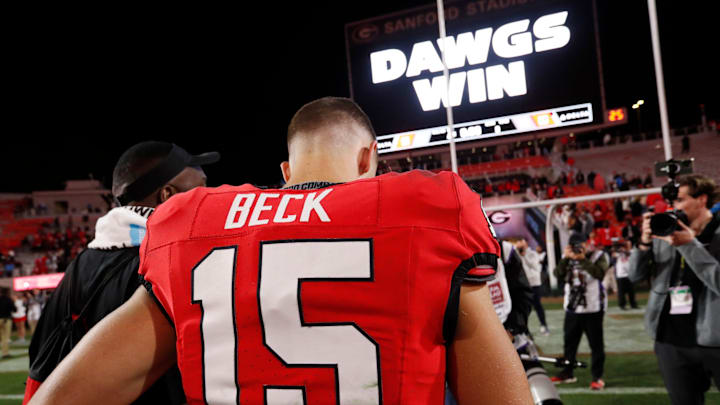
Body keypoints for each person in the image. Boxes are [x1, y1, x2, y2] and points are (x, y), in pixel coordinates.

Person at [29, 97, 533, 405]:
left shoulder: (193, 224)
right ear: (368, 159)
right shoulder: (430, 208)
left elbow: (60, 399)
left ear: (287, 172)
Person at [23, 141, 219, 405]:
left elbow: (40, 353)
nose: (212, 196)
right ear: (167, 195)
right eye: (201, 189)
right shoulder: (166, 263)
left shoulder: (80, 263)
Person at [628, 174, 720, 405]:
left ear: (702, 199)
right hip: (670, 339)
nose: (673, 207)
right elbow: (635, 277)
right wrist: (644, 242)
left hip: (715, 340)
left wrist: (690, 246)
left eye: (680, 200)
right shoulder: (666, 231)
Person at [552, 232, 608, 390]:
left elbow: (599, 274)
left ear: (587, 243)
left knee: (596, 345)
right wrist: (565, 258)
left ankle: (597, 377)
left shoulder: (599, 255)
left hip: (593, 307)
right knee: (569, 343)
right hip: (572, 308)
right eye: (574, 245)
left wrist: (582, 259)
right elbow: (557, 274)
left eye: (580, 244)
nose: (578, 247)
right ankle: (568, 372)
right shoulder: (567, 257)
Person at [513, 238, 549, 335]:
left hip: (534, 284)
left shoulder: (532, 253)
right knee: (523, 307)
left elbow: (535, 267)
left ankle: (543, 325)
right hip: (523, 284)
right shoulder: (515, 253)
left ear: (526, 243)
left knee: (537, 305)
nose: (520, 243)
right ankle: (525, 329)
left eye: (521, 241)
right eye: (518, 241)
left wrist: (524, 256)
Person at [613, 242, 637, 310]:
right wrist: (617, 249)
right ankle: (622, 305)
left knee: (631, 291)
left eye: (629, 244)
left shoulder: (632, 251)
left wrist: (623, 250)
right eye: (627, 244)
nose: (628, 245)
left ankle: (633, 304)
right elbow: (614, 255)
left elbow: (629, 253)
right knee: (621, 292)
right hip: (621, 274)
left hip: (630, 274)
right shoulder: (619, 252)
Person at [0, 288, 14, 358]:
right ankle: (5, 353)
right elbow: (14, 309)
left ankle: (4, 352)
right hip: (6, 320)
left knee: (2, 337)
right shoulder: (8, 299)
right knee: (5, 337)